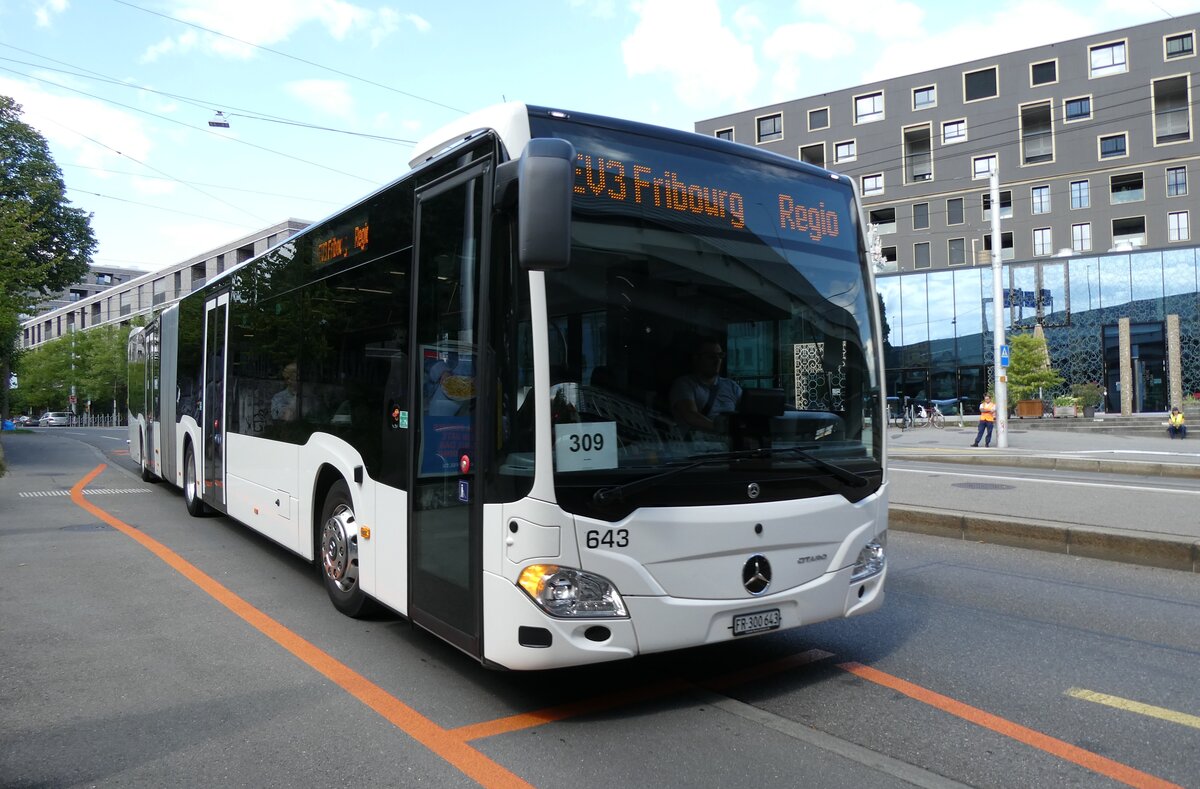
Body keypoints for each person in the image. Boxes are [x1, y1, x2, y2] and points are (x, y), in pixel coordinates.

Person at [670, 338, 743, 433]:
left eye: (720, 356)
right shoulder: (684, 384)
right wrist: (723, 430)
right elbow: (690, 415)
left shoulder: (732, 387)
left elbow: (747, 414)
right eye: (711, 356)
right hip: (698, 445)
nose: (717, 361)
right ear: (696, 358)